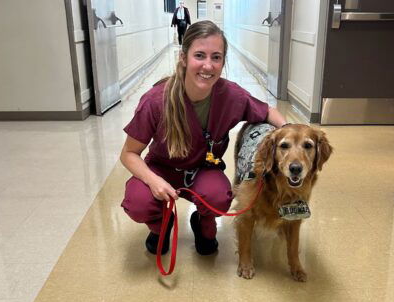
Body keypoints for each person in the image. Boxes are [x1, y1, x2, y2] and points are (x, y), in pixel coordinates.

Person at [120, 20, 287, 256]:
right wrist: (153, 180)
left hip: (203, 169)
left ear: (222, 61)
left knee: (219, 197)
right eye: (199, 55)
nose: (208, 66)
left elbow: (267, 111)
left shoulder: (230, 94)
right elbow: (128, 154)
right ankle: (160, 226)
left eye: (216, 57)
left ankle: (203, 224)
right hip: (162, 169)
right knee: (139, 202)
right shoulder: (156, 101)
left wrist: (291, 129)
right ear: (183, 57)